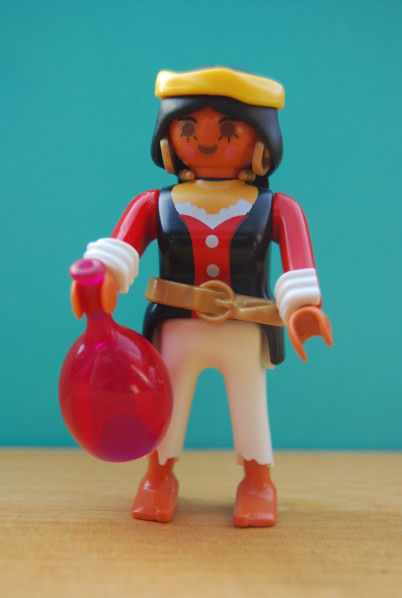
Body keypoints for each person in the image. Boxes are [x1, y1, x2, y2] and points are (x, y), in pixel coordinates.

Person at [81, 67, 332, 527]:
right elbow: (119, 251)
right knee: (168, 405)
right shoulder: (154, 204)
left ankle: (258, 482)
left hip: (245, 327)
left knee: (250, 404)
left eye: (229, 130)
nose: (207, 141)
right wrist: (99, 281)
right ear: (167, 137)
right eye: (189, 129)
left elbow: (298, 267)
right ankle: (159, 476)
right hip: (177, 327)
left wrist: (301, 308)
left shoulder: (277, 208)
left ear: (261, 141)